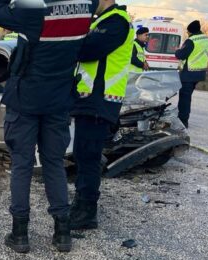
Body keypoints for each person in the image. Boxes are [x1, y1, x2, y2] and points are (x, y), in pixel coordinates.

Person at [0, 0, 99, 253]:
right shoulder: (85, 7)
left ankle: (20, 234)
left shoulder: (33, 9)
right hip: (58, 100)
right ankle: (62, 233)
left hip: (25, 99)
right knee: (54, 164)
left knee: (22, 164)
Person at [70, 0, 134, 231]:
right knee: (83, 154)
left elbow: (87, 51)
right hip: (91, 100)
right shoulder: (103, 21)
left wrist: (73, 40)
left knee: (88, 156)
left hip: (101, 100)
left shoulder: (116, 21)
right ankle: (81, 204)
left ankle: (86, 211)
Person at [175, 20, 208, 128]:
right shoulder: (207, 40)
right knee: (188, 97)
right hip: (199, 73)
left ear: (190, 31)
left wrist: (177, 50)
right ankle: (183, 119)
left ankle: (182, 122)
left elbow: (181, 55)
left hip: (188, 74)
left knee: (184, 98)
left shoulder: (191, 40)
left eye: (188, 32)